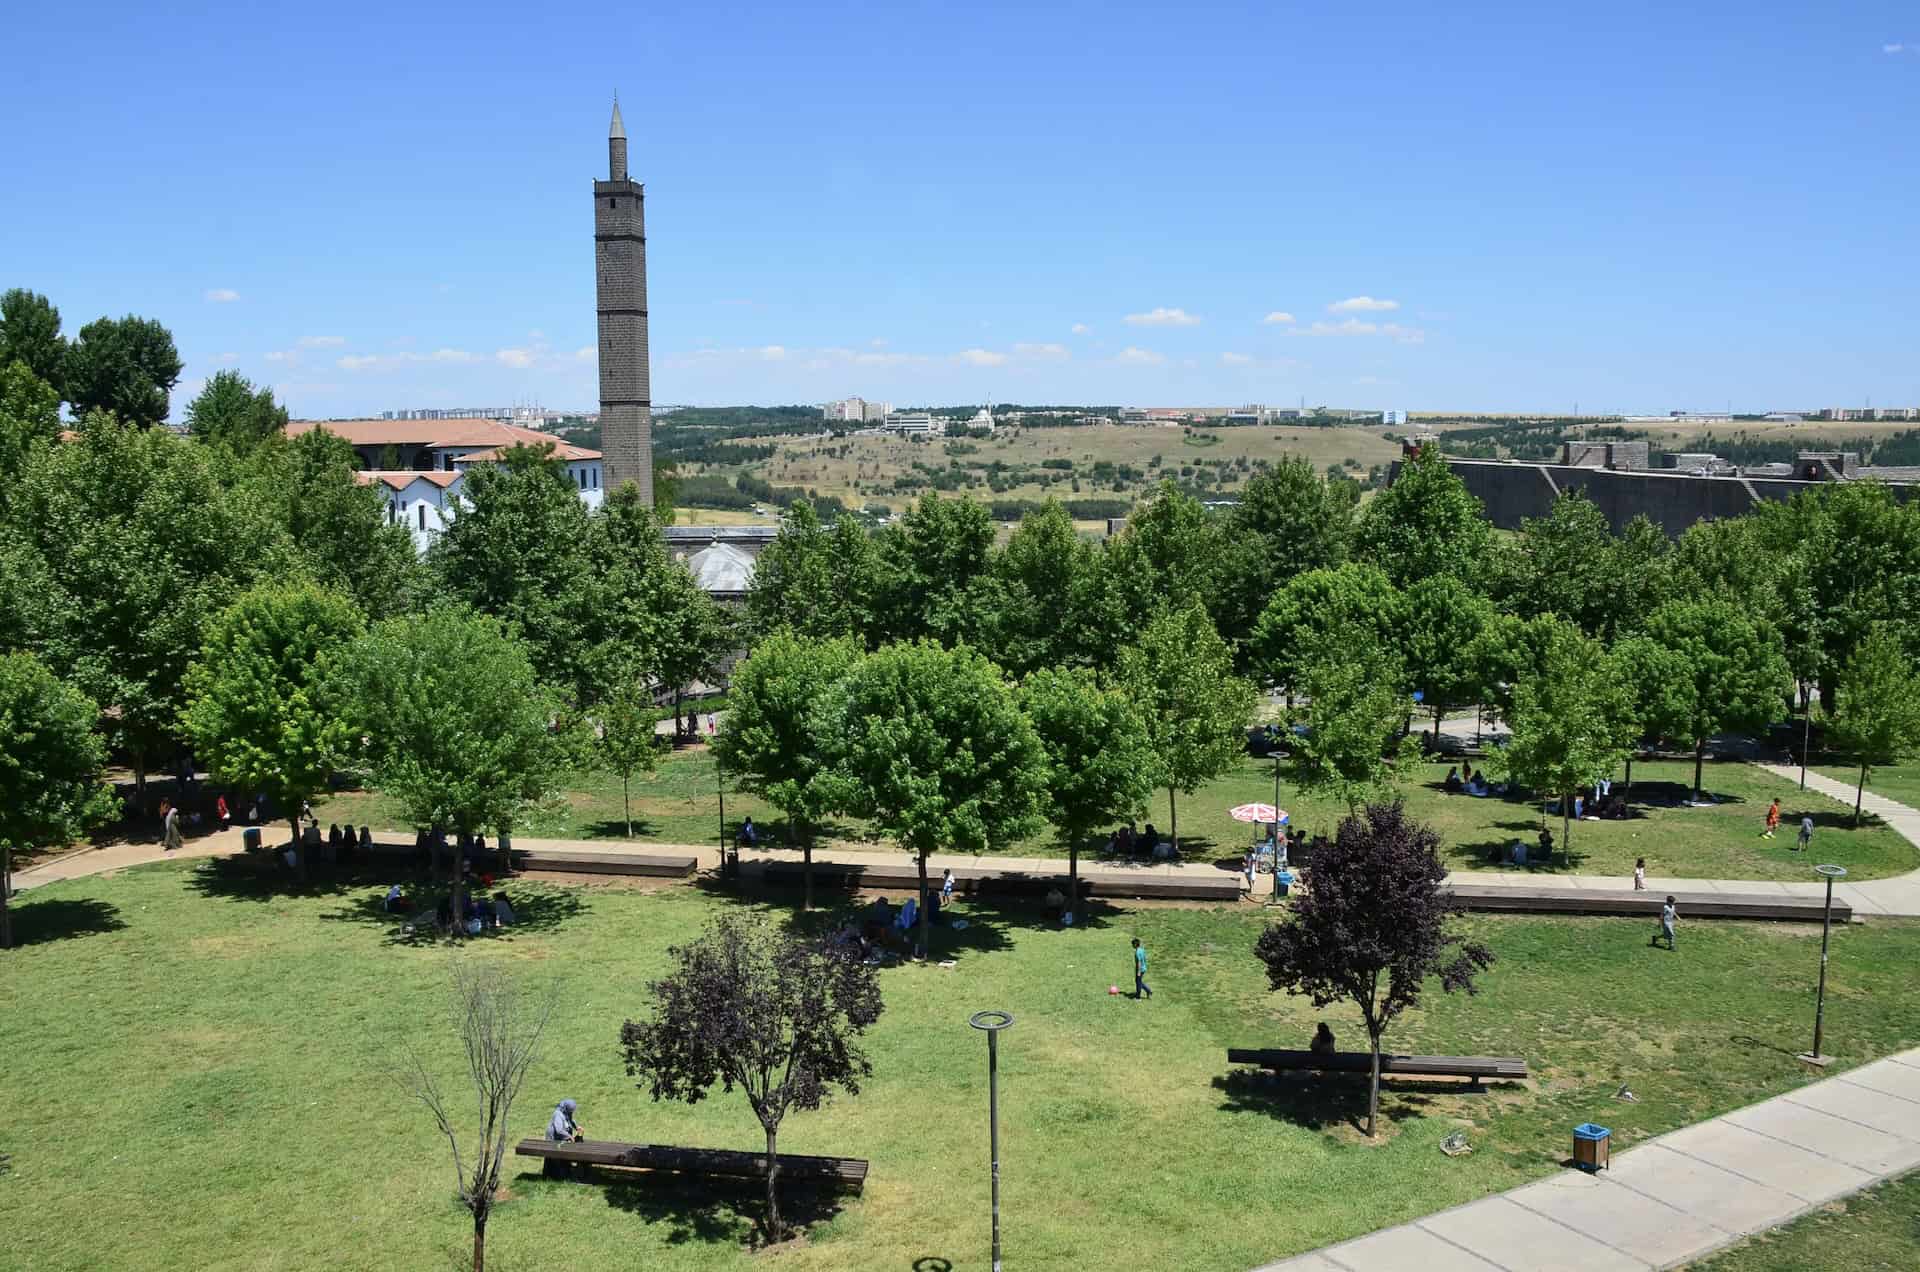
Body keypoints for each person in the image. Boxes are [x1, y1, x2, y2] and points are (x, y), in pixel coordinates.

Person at [544, 1098, 583, 1178]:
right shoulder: (558, 1114)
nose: (572, 1112)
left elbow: (570, 1119)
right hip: (553, 1138)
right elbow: (559, 1130)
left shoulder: (566, 1111)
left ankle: (565, 1170)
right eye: (571, 1110)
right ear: (566, 1108)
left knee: (564, 1155)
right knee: (554, 1157)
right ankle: (555, 1175)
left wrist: (576, 1127)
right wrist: (569, 1136)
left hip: (561, 1138)